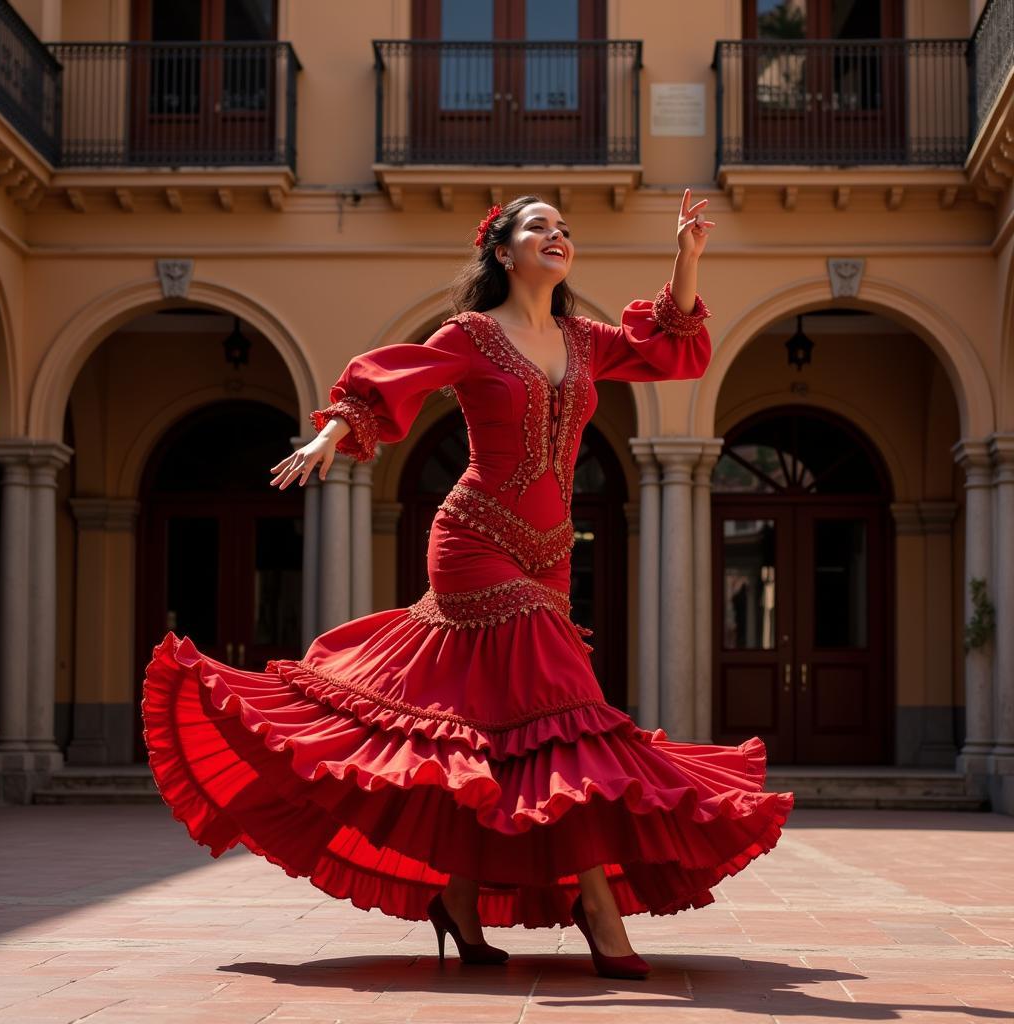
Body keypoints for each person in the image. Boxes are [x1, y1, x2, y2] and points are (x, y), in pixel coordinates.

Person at [141, 190, 794, 981]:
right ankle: (597, 905)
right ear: (504, 252)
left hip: (551, 553)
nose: (557, 235)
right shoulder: (473, 336)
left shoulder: (585, 341)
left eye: (564, 225)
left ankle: (457, 896)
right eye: (538, 227)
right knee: (570, 714)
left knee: (494, 730)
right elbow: (389, 377)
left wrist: (686, 258)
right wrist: (328, 433)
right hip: (476, 539)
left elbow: (669, 348)